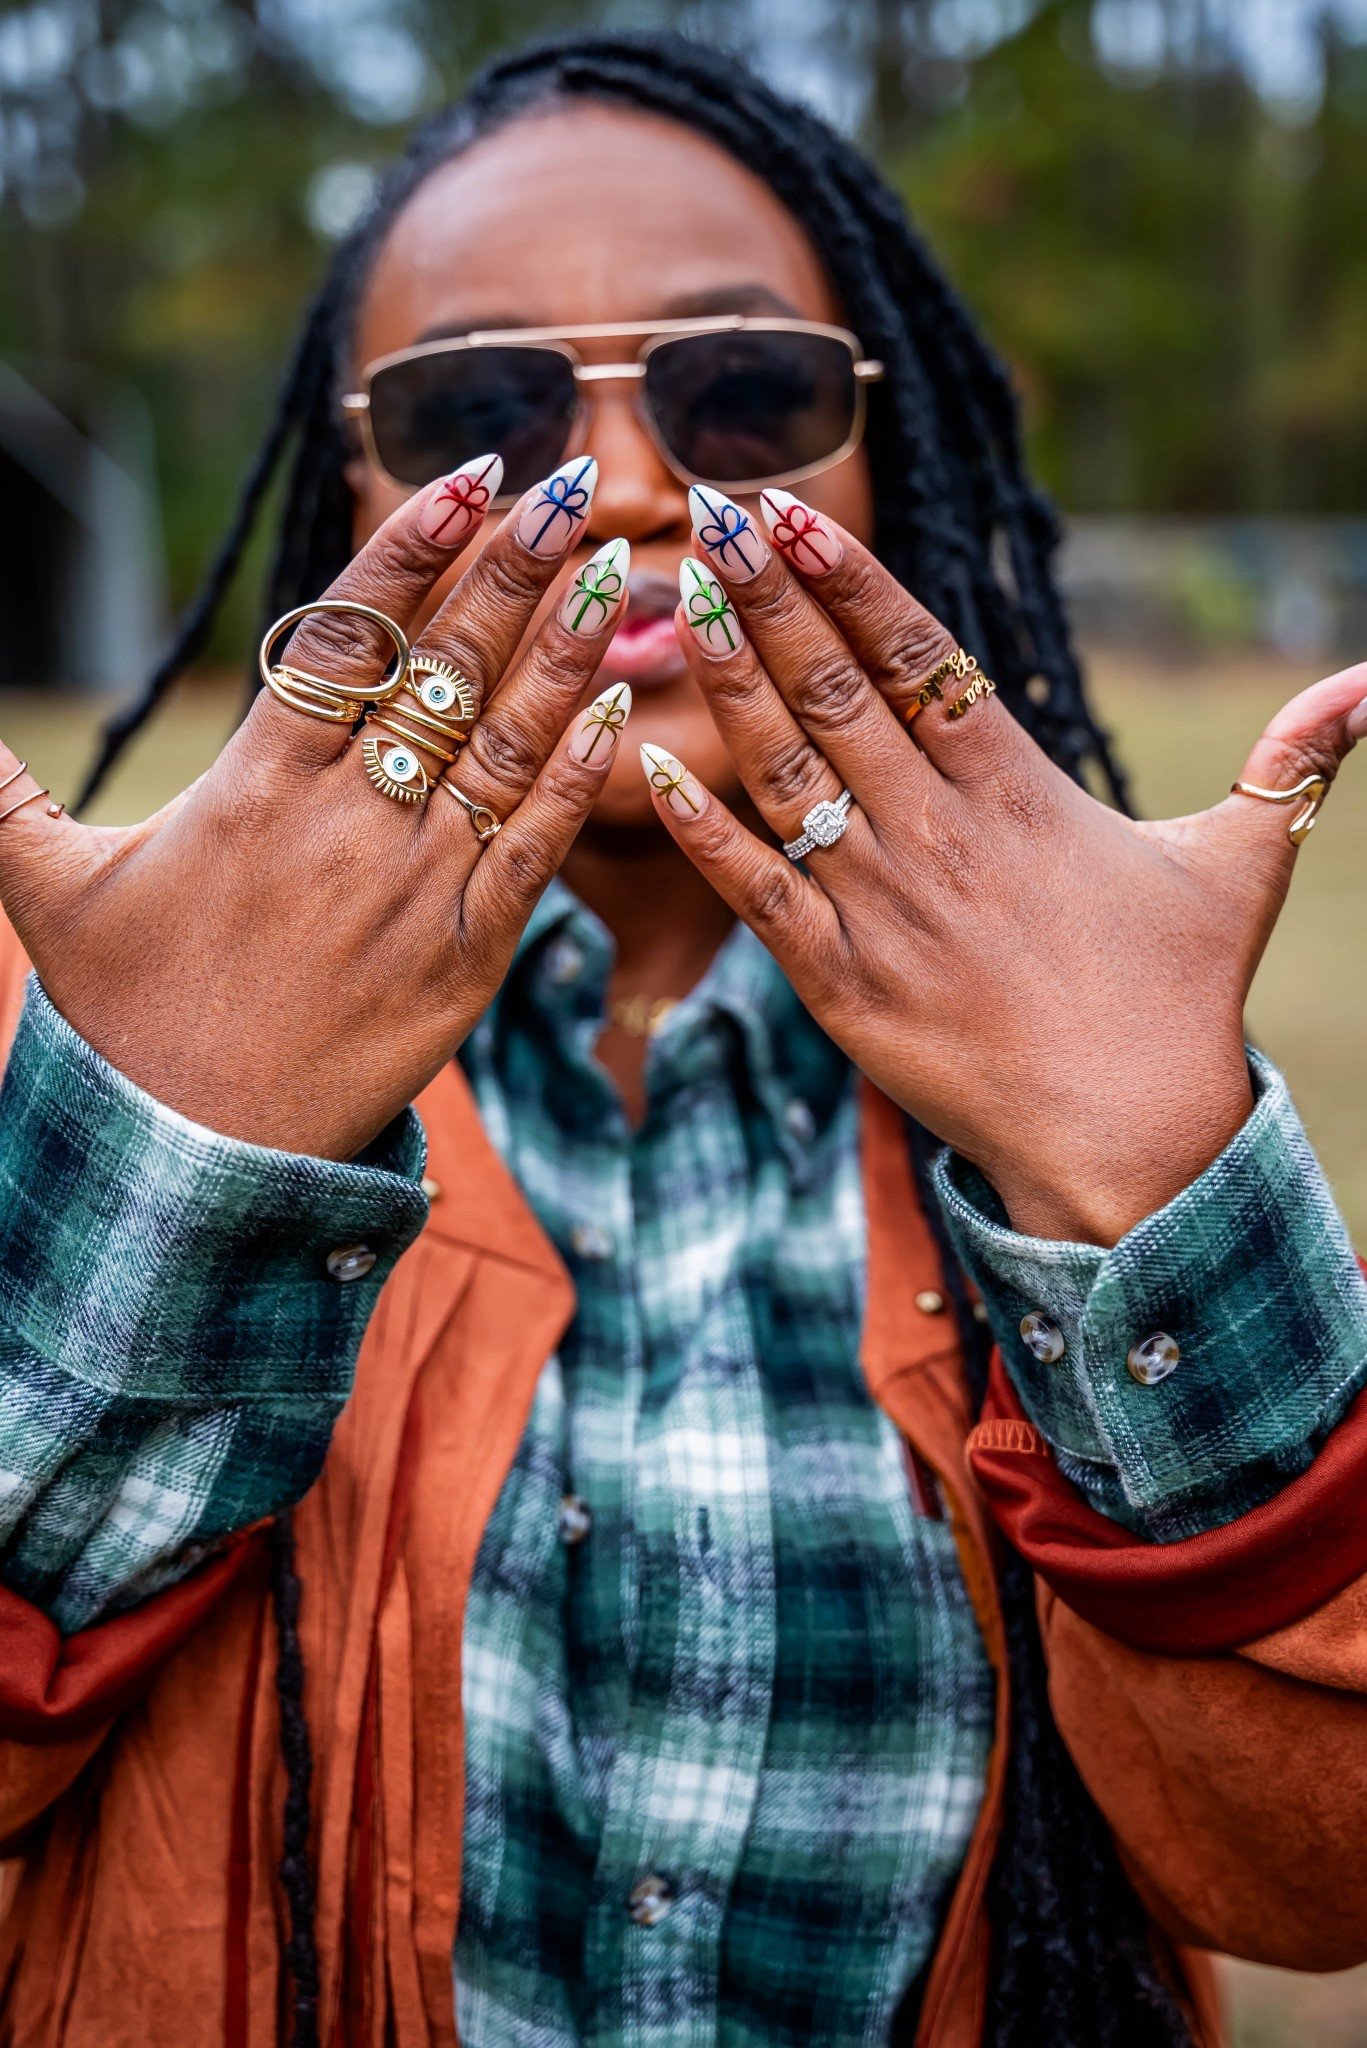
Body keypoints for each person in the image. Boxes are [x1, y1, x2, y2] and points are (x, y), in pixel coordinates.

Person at [0, 28, 1365, 2048]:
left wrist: (1151, 1192)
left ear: (880, 454)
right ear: (352, 487)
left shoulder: (1080, 1090)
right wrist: (163, 1189)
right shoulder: (90, 1059)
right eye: (484, 407)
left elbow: (1311, 1883)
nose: (629, 476)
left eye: (745, 394)